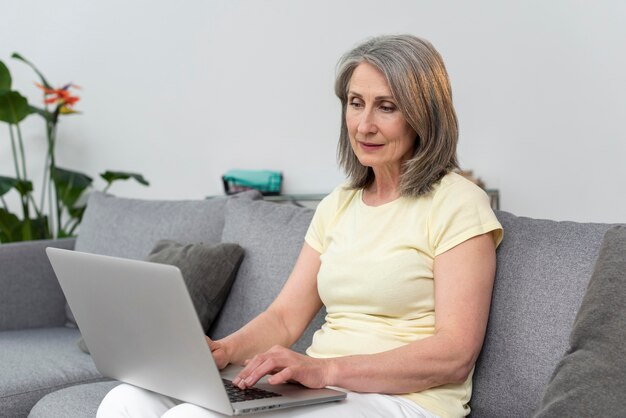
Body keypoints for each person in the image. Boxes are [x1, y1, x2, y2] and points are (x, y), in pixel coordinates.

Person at [98, 34, 503, 418]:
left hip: (404, 403)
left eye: (387, 106)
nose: (364, 125)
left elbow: (455, 354)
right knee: (127, 400)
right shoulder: (338, 204)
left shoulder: (458, 203)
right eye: (356, 102)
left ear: (424, 115)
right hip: (326, 392)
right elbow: (285, 319)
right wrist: (222, 350)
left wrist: (324, 371)